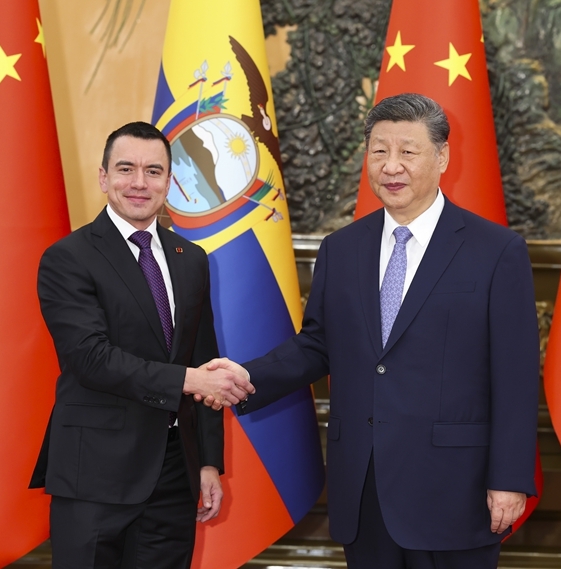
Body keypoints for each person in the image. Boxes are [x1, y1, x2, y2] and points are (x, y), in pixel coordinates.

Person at [209, 94, 540, 568]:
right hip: (364, 487)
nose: (391, 166)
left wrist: (508, 478)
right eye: (379, 151)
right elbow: (318, 344)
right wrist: (245, 377)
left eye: (408, 151)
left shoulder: (496, 250)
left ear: (442, 157)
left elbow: (515, 376)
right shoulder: (341, 249)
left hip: (455, 489)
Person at [30, 121, 254, 569]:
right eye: (126, 169)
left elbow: (204, 362)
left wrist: (208, 463)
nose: (139, 183)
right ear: (103, 177)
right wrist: (189, 380)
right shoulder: (68, 258)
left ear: (169, 182)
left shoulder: (191, 259)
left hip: (173, 474)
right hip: (95, 474)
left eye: (153, 171)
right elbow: (90, 359)